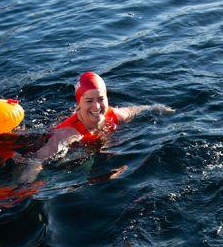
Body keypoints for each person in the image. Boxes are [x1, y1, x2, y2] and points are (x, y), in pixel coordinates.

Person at [17, 71, 174, 182]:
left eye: (101, 99)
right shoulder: (68, 132)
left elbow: (136, 110)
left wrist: (157, 107)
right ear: (78, 104)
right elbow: (36, 159)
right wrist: (26, 183)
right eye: (89, 101)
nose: (97, 106)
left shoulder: (114, 115)